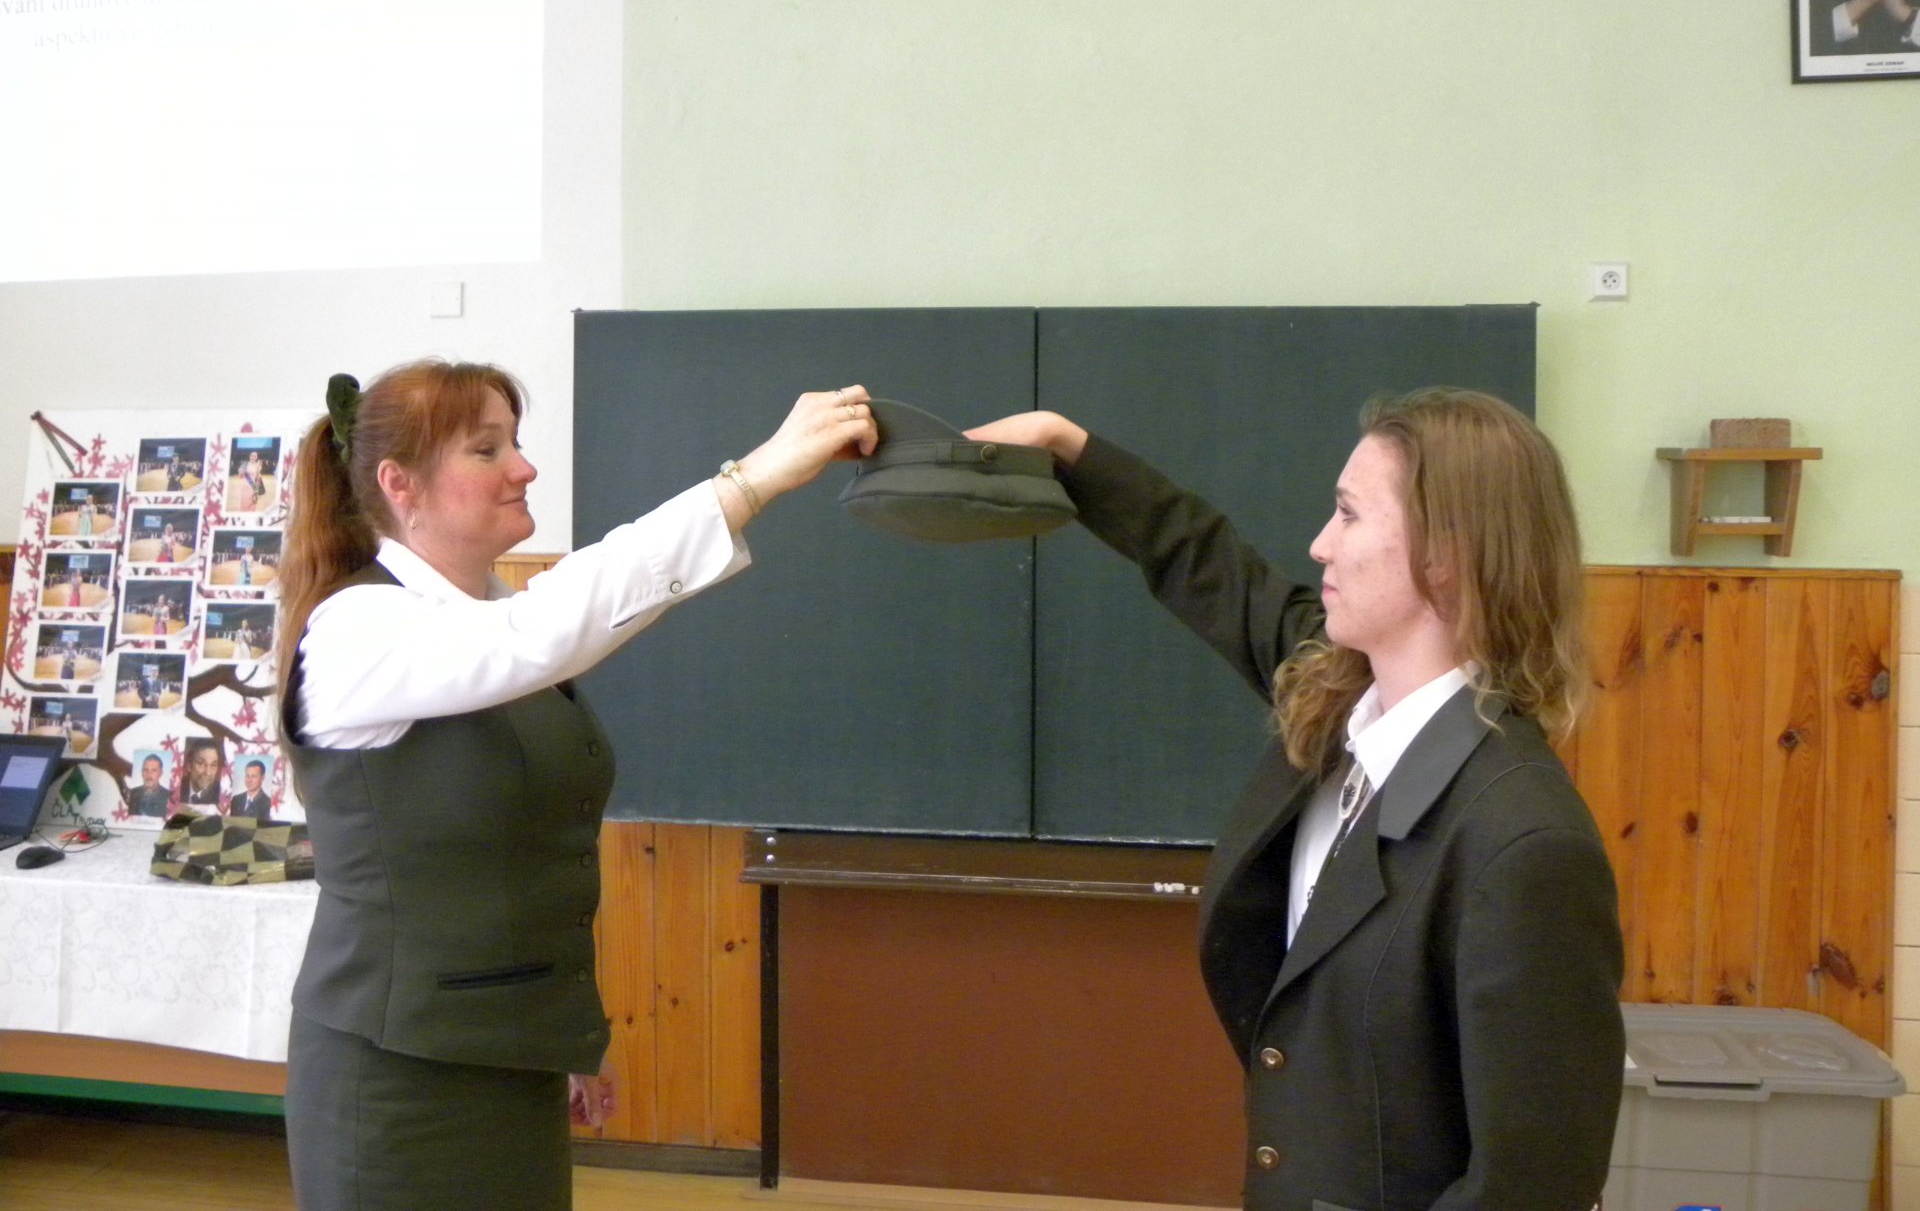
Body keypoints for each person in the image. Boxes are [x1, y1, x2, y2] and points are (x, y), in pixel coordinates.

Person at [968, 388, 1624, 1209]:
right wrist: (1067, 448)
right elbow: (1203, 561)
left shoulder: (1524, 844)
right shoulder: (1339, 698)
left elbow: (1535, 1185)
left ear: (1445, 555)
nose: (1319, 544)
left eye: (1348, 515)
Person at [275, 359, 875, 1211]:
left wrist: (560, 1038)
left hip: (512, 1056)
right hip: (399, 1078)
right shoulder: (356, 628)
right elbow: (546, 629)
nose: (524, 468)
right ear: (399, 484)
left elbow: (523, 864)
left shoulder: (494, 617)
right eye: (487, 450)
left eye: (515, 443)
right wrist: (753, 479)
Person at [182, 738, 223, 803]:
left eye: (213, 765)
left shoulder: (221, 794)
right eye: (201, 763)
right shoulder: (177, 788)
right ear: (189, 765)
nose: (208, 773)